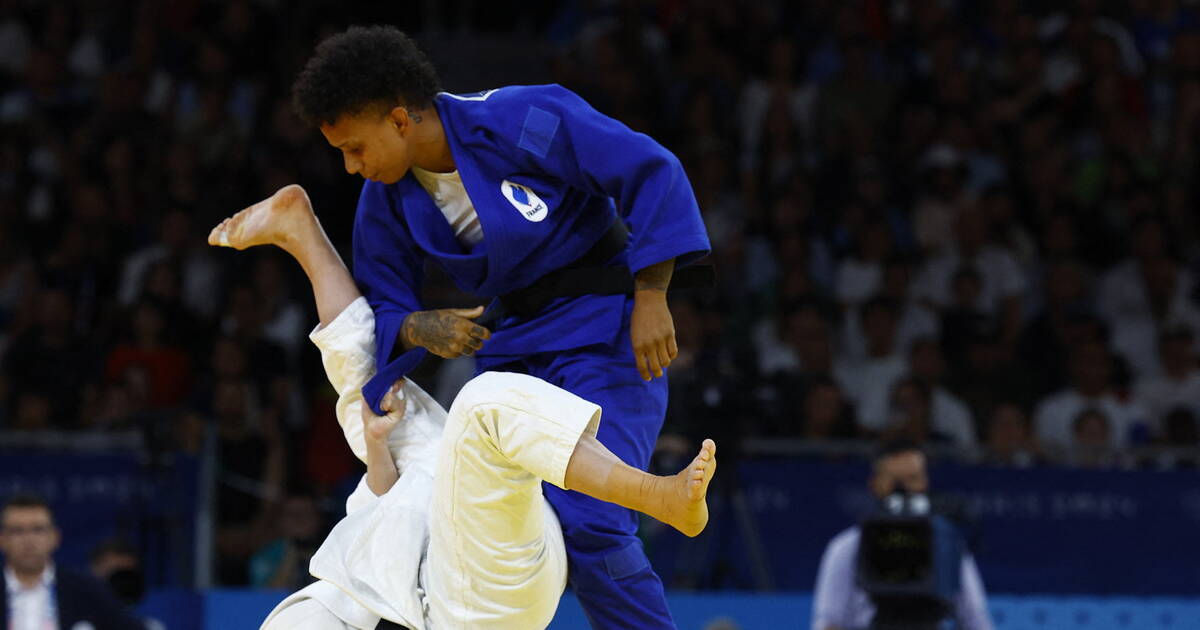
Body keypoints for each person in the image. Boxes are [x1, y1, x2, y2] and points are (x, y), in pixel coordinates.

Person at [289, 26, 712, 629]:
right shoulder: (386, 199)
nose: (352, 167)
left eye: (355, 147)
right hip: (511, 349)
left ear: (400, 120)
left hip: (604, 330)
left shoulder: (520, 118)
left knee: (591, 518)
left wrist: (651, 294)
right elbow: (383, 304)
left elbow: (648, 170)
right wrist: (416, 325)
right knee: (481, 519)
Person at [209, 185, 716, 629]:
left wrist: (379, 447)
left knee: (369, 393)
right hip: (470, 607)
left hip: (432, 544)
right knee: (482, 404)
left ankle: (302, 231)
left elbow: (381, 494)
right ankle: (653, 493)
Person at [810, 440, 993, 630]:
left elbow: (975, 621)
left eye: (912, 478)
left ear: (924, 482)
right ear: (875, 484)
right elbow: (829, 622)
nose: (903, 489)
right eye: (894, 480)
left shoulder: (948, 543)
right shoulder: (847, 547)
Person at [1, 494, 145, 629]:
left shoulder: (87, 590)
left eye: (38, 530)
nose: (28, 540)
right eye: (17, 531)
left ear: (55, 537)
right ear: (2, 539)